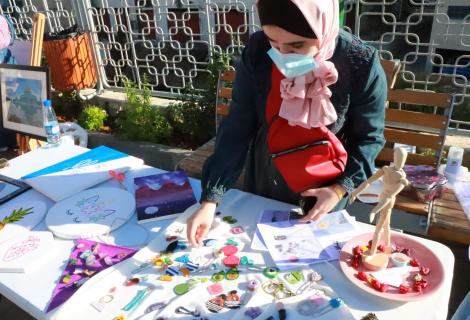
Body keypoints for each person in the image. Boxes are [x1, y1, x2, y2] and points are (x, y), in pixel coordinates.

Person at [187, 0, 387, 247]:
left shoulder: (360, 63)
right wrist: (210, 200)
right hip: (267, 169)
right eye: (274, 42)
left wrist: (338, 190)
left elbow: (369, 138)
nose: (282, 55)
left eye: (296, 45)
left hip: (325, 185)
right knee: (256, 249)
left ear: (323, 28)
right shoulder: (259, 50)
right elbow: (238, 124)